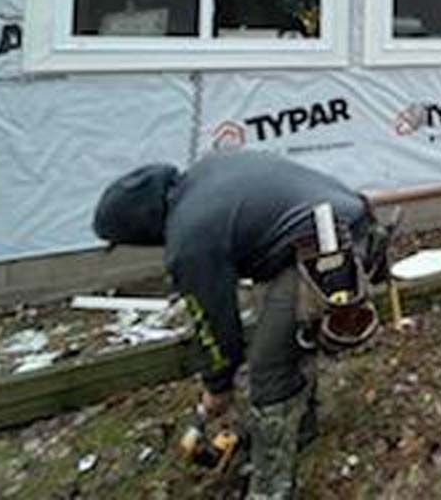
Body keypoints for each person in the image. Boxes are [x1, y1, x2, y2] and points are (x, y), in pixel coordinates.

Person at [92, 150, 391, 499]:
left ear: (139, 227)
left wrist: (217, 386)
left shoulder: (190, 237)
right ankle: (301, 427)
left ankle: (270, 486)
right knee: (285, 338)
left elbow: (216, 326)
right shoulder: (205, 174)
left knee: (267, 368)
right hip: (344, 224)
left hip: (331, 248)